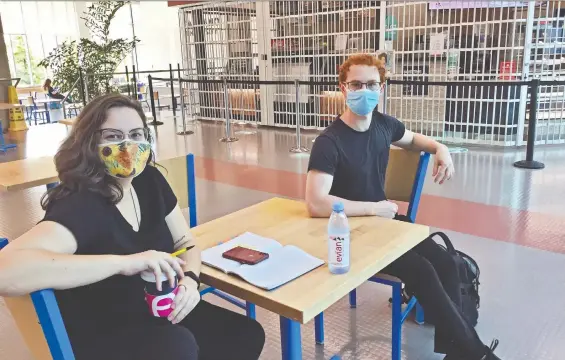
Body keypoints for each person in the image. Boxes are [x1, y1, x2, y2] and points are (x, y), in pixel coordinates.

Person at [0, 94, 265, 360]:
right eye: (113, 136)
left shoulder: (149, 180)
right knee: (178, 346)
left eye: (137, 134)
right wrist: (124, 263)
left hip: (157, 308)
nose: (128, 146)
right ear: (89, 143)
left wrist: (191, 283)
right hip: (105, 329)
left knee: (245, 333)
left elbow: (187, 242)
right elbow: (5, 271)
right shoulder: (81, 204)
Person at [305, 54, 501, 360]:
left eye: (371, 84)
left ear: (381, 88)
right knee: (422, 271)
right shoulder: (329, 141)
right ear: (344, 88)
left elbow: (414, 141)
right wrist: (372, 208)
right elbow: (316, 203)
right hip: (350, 234)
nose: (364, 90)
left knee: (448, 263)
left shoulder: (384, 125)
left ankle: (454, 349)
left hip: (387, 224)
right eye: (356, 83)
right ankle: (475, 352)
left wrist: (442, 148)